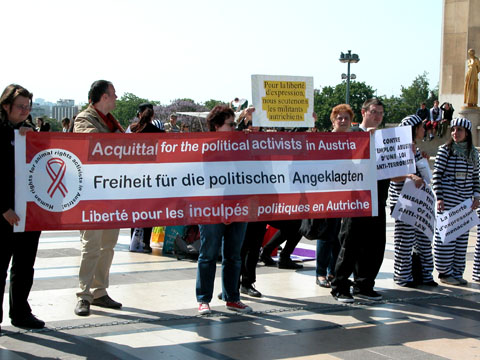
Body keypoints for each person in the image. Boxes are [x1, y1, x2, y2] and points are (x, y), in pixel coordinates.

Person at [330, 98, 390, 303]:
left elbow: (396, 173)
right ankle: (340, 286)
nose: (377, 116)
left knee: (375, 245)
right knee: (350, 244)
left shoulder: (387, 140)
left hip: (378, 198)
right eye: (374, 112)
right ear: (363, 112)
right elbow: (344, 166)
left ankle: (364, 285)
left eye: (380, 113)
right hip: (355, 199)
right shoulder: (352, 136)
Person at [73, 80, 124, 316]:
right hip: (90, 194)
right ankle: (83, 294)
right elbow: (91, 144)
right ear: (103, 97)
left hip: (111, 193)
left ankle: (99, 291)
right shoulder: (84, 119)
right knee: (90, 245)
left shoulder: (113, 123)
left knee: (108, 245)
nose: (116, 98)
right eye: (113, 94)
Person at [196, 105, 251, 315]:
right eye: (230, 124)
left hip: (238, 205)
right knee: (208, 254)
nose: (234, 128)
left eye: (235, 124)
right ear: (217, 125)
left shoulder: (240, 145)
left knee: (234, 255)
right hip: (212, 208)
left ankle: (232, 297)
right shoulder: (205, 147)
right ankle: (203, 299)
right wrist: (222, 207)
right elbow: (207, 181)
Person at [0, 84, 44, 330]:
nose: (25, 111)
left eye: (28, 107)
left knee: (25, 266)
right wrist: (3, 208)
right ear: (6, 106)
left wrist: (34, 139)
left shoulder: (29, 133)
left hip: (28, 214)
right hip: (4, 214)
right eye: (20, 106)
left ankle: (21, 312)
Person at [389, 115, 436, 287]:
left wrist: (423, 161)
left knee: (423, 239)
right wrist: (409, 175)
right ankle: (403, 276)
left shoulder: (414, 149)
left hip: (418, 201)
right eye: (421, 127)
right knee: (405, 240)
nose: (424, 129)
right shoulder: (398, 149)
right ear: (413, 129)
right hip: (403, 202)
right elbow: (392, 176)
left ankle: (425, 274)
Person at [432, 118, 479, 285]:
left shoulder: (473, 153)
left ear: (466, 133)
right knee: (446, 238)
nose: (455, 133)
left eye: (459, 130)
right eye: (453, 129)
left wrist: (476, 196)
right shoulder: (445, 150)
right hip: (449, 201)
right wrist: (440, 197)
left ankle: (457, 271)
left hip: (465, 203)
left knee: (461, 238)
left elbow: (475, 177)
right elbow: (437, 174)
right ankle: (445, 273)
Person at [315, 104, 352, 288]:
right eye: (340, 118)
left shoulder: (355, 140)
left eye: (346, 118)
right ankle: (320, 272)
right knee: (326, 233)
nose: (343, 121)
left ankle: (333, 271)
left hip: (346, 193)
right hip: (327, 192)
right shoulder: (325, 139)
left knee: (340, 234)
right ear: (333, 120)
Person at [128, 103, 163, 253]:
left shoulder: (132, 129)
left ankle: (133, 241)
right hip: (151, 175)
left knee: (135, 209)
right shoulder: (158, 132)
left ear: (139, 114)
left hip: (134, 175)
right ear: (152, 115)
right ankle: (146, 243)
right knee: (150, 210)